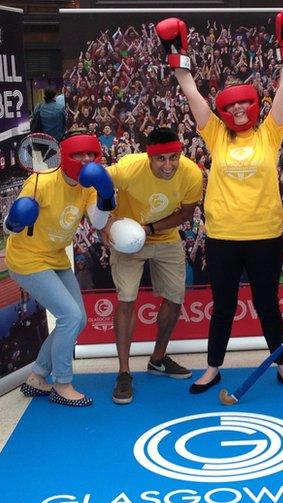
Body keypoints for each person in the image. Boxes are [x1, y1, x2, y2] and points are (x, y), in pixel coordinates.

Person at [157, 9, 283, 395]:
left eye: (245, 103)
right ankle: (212, 368)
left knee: (268, 306)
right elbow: (192, 94)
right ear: (224, 111)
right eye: (232, 105)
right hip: (223, 237)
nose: (239, 109)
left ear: (253, 105)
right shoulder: (216, 136)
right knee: (222, 306)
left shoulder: (269, 134)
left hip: (265, 237)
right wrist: (178, 57)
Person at [5, 131, 115, 407]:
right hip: (27, 258)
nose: (87, 159)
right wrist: (16, 219)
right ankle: (62, 383)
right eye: (80, 154)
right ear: (66, 155)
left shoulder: (88, 186)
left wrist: (106, 195)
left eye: (91, 154)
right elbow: (8, 226)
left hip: (55, 257)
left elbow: (99, 223)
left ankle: (38, 376)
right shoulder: (40, 181)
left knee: (79, 319)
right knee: (69, 315)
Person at [103, 127, 203, 404]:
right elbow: (93, 184)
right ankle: (124, 372)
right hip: (126, 242)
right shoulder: (127, 169)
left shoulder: (192, 173)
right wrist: (105, 223)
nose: (168, 165)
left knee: (174, 298)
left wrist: (149, 228)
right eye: (161, 159)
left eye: (174, 158)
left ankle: (157, 359)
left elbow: (186, 213)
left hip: (165, 236)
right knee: (126, 300)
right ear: (149, 157)